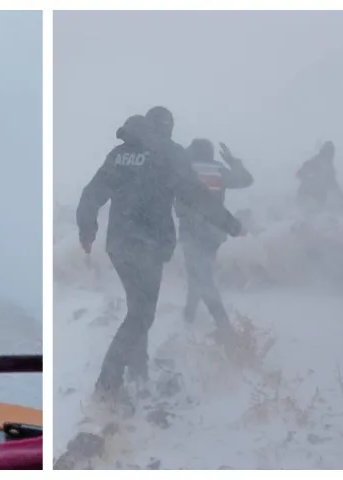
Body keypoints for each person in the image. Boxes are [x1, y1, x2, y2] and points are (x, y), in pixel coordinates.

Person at [76, 107, 243, 406]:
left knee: (137, 309)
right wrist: (229, 223)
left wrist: (86, 229)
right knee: (141, 314)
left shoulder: (120, 154)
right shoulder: (169, 153)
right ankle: (107, 384)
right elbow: (196, 194)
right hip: (149, 246)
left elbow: (92, 193)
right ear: (166, 128)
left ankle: (139, 373)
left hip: (118, 244)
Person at [174, 139, 253, 329]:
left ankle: (222, 324)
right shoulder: (218, 170)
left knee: (200, 273)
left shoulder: (185, 169)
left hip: (190, 230)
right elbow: (246, 180)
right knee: (201, 270)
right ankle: (190, 312)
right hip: (215, 230)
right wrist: (232, 161)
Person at [296, 140, 343, 213]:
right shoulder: (314, 162)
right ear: (325, 151)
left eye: (332, 152)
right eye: (329, 152)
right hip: (307, 196)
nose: (331, 154)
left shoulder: (330, 168)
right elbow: (299, 174)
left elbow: (334, 185)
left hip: (319, 198)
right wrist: (310, 180)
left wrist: (342, 199)